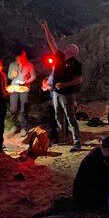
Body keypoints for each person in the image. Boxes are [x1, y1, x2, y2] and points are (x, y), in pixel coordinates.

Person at [40, 20, 83, 152]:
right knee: (58, 117)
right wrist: (46, 29)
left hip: (67, 95)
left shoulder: (76, 64)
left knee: (70, 117)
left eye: (69, 47)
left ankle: (77, 142)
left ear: (73, 52)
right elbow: (51, 42)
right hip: (56, 93)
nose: (66, 48)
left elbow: (79, 80)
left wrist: (64, 84)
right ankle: (62, 138)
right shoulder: (59, 57)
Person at [72, 135, 109, 208]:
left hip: (92, 188)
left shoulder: (102, 154)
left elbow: (107, 170)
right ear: (108, 149)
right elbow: (102, 180)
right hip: (86, 195)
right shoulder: (95, 160)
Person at [6, 49, 36, 136]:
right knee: (13, 109)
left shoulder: (29, 65)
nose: (22, 58)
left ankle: (24, 127)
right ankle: (16, 126)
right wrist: (13, 74)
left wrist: (27, 81)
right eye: (20, 57)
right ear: (17, 57)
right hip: (14, 88)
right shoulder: (12, 65)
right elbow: (9, 76)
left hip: (24, 88)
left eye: (24, 56)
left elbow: (33, 76)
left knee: (23, 109)